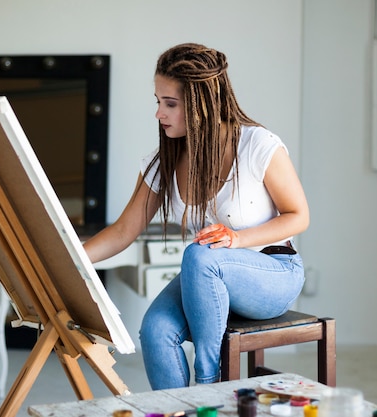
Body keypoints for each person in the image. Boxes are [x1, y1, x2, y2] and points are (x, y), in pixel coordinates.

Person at [82, 43, 309, 390]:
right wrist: (70, 260)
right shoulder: (164, 161)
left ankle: (208, 390)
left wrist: (237, 239)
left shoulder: (258, 145)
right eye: (158, 102)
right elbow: (123, 231)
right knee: (155, 331)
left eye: (170, 104)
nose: (159, 114)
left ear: (202, 103)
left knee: (201, 255)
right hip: (207, 278)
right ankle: (175, 412)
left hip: (274, 274)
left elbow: (299, 216)